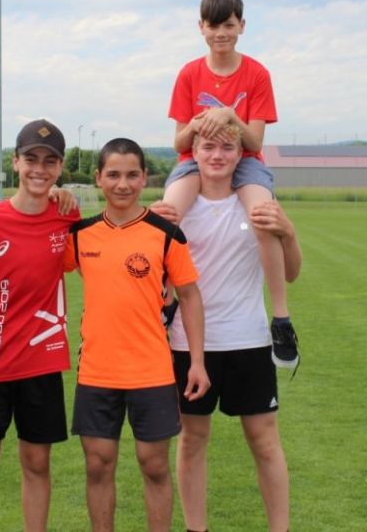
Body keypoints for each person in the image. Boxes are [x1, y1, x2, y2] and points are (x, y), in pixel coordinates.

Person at [65, 137, 211, 532]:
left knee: (154, 465)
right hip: (97, 371)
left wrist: (197, 362)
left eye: (132, 175)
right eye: (113, 174)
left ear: (145, 177)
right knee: (98, 465)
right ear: (98, 178)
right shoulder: (80, 235)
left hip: (152, 371)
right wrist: (58, 198)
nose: (123, 184)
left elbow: (190, 296)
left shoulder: (166, 234)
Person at [167, 126, 302, 532]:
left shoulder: (258, 204)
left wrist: (288, 231)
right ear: (194, 152)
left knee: (265, 443)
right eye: (208, 147)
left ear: (241, 154)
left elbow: (291, 273)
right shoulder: (178, 208)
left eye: (227, 147)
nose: (217, 155)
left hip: (249, 340)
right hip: (189, 344)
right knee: (192, 441)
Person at [161, 0, 299, 370]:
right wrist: (200, 124)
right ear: (201, 28)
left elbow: (254, 142)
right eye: (213, 26)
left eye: (228, 25)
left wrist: (229, 116)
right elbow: (179, 142)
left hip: (245, 159)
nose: (220, 33)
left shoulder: (256, 73)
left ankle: (281, 319)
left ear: (241, 26)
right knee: (165, 217)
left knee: (263, 218)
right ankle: (165, 300)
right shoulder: (190, 73)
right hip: (197, 158)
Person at [0, 119, 81, 532]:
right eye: (31, 159)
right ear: (15, 162)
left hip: (41, 361)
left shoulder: (67, 215)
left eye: (49, 161)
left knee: (37, 461)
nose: (39, 169)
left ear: (60, 167)